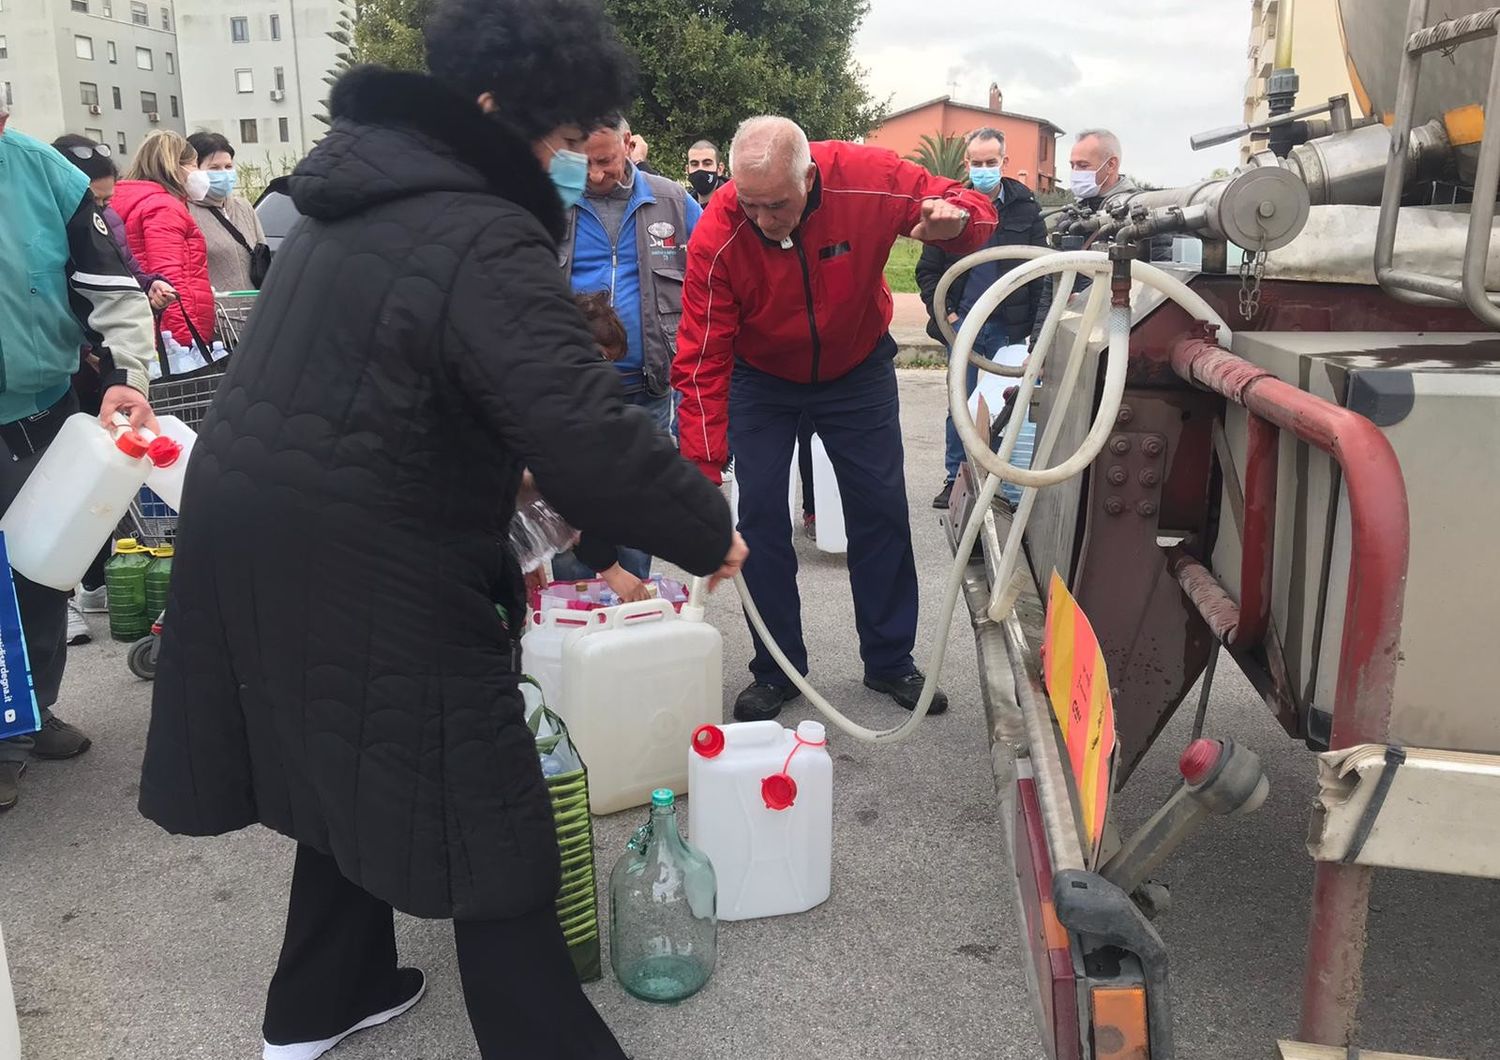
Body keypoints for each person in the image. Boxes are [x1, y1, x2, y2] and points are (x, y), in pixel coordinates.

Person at [136, 3, 744, 1059]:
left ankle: (323, 999)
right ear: (497, 111)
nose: (564, 162)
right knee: (489, 811)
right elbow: (581, 423)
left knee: (347, 752)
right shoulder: (477, 226)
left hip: (261, 529)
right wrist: (706, 525)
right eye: (557, 141)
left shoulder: (347, 197)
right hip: (369, 547)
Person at [673, 115, 997, 722]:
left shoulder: (866, 177)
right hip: (761, 378)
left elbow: (966, 204)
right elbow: (701, 354)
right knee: (761, 518)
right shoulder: (719, 231)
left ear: (811, 176)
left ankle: (890, 660)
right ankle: (777, 668)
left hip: (856, 370)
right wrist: (702, 462)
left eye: (779, 205)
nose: (766, 221)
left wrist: (955, 225)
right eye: (752, 205)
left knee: (879, 508)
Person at [0, 102, 160, 812]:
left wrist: (128, 375)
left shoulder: (47, 174)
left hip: (43, 412)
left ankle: (28, 716)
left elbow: (115, 290)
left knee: (45, 571)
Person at [551, 114, 701, 585]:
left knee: (636, 514)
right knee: (572, 510)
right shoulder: (552, 198)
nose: (594, 174)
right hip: (569, 393)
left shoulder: (673, 201)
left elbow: (713, 274)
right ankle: (572, 628)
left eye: (605, 161)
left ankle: (633, 622)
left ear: (630, 144)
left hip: (648, 389)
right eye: (583, 162)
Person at [52, 134, 180, 642]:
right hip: (62, 365)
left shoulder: (99, 221)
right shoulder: (43, 214)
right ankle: (62, 591)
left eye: (106, 198)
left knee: (91, 478)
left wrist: (145, 283)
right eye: (94, 197)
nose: (101, 206)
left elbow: (113, 276)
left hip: (97, 364)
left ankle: (85, 580)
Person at [916, 127, 1048, 509]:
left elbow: (1042, 271)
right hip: (965, 328)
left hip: (1011, 329)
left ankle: (995, 483)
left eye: (992, 162)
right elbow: (927, 272)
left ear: (1004, 162)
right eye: (978, 163)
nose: (984, 169)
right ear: (967, 163)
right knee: (960, 403)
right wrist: (948, 317)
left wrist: (1035, 334)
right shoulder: (949, 205)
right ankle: (954, 478)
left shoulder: (1026, 208)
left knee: (1004, 407)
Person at [110, 129, 216, 350]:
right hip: (170, 336)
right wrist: (187, 343)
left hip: (138, 327)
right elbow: (170, 280)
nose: (198, 172)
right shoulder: (163, 207)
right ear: (177, 166)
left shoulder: (125, 200)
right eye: (194, 165)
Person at [186, 131, 270, 293]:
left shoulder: (243, 206)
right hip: (216, 310)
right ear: (193, 170)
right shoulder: (186, 211)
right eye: (214, 168)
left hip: (251, 308)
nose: (224, 173)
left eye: (228, 166)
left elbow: (261, 250)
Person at [686, 138, 728, 205]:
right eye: (694, 164)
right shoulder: (683, 206)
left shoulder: (735, 203)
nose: (700, 168)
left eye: (707, 164)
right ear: (687, 170)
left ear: (719, 169)